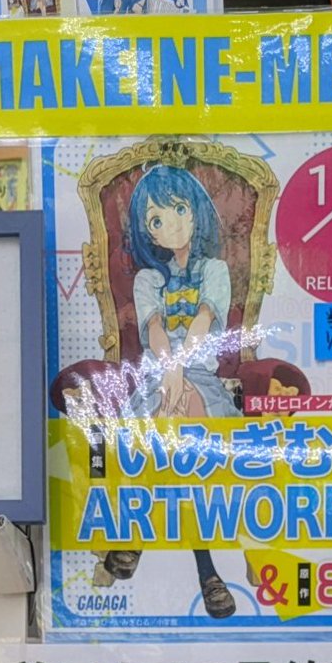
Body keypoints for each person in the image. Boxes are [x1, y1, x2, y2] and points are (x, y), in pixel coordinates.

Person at [93, 162, 241, 622]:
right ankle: (208, 572)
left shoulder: (214, 271)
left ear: (196, 213)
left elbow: (204, 322)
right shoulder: (148, 279)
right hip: (160, 376)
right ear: (147, 230)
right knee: (167, 429)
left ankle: (137, 540)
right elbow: (154, 330)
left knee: (180, 430)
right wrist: (169, 372)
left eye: (178, 210)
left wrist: (179, 371)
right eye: (156, 219)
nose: (169, 224)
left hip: (200, 375)